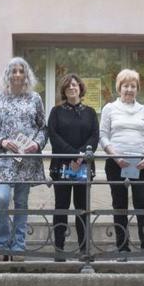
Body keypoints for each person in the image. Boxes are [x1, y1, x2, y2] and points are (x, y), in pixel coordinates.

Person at [0, 57, 47, 262]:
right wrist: (2, 142)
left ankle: (18, 246)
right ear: (8, 74)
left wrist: (36, 144)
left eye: (21, 71)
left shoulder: (35, 98)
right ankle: (2, 244)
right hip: (4, 158)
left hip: (26, 159)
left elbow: (42, 127)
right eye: (14, 71)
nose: (17, 74)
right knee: (2, 199)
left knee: (21, 202)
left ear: (26, 75)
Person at [99, 68, 144, 262]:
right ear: (119, 88)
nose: (129, 89)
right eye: (126, 86)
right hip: (117, 164)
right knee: (120, 205)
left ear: (137, 89)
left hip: (140, 164)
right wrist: (116, 157)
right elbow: (103, 136)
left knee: (142, 204)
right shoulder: (109, 109)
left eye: (133, 86)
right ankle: (122, 248)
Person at [47, 74, 99, 261]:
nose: (72, 88)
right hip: (61, 166)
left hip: (84, 166)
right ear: (64, 90)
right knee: (61, 208)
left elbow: (94, 137)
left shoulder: (90, 112)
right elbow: (53, 136)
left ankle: (84, 250)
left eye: (75, 85)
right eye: (68, 86)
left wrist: (82, 155)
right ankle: (59, 251)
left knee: (82, 208)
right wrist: (73, 154)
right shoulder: (56, 111)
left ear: (80, 88)